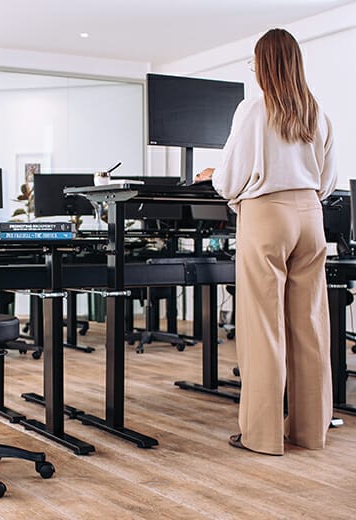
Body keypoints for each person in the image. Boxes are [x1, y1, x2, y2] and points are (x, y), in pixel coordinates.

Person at [195, 28, 337, 455]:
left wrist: (213, 177)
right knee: (310, 326)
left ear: (264, 66)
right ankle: (310, 432)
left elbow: (229, 179)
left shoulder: (253, 110)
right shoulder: (317, 112)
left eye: (255, 63)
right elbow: (327, 181)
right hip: (311, 218)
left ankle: (262, 435)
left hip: (267, 215)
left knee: (263, 328)